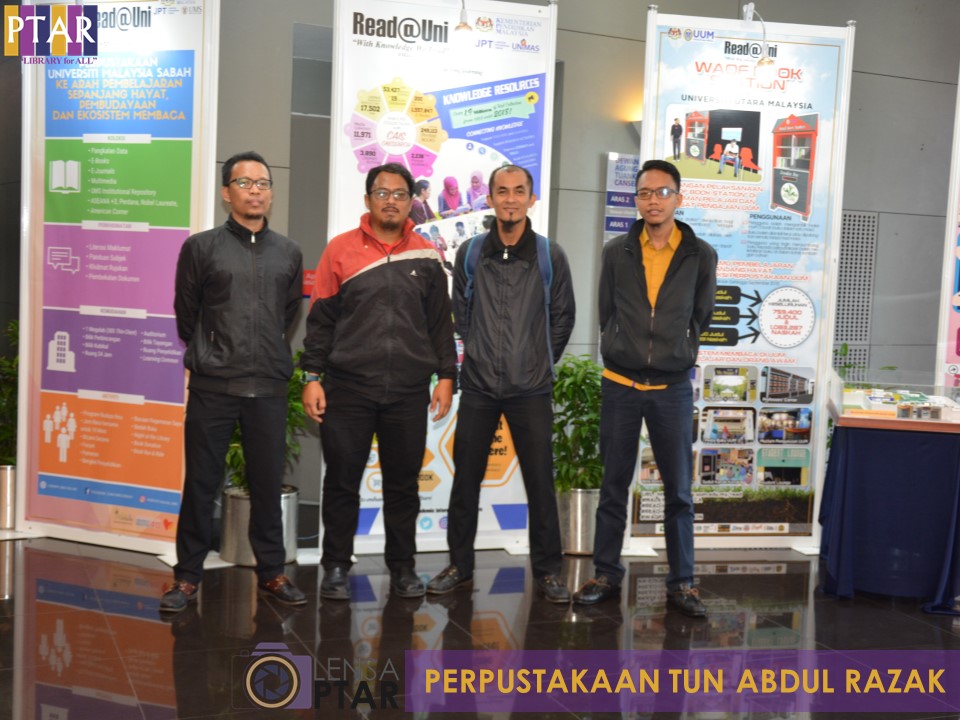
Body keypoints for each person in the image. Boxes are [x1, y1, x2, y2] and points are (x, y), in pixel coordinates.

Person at [301, 162, 457, 601]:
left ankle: (403, 567)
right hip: (347, 387)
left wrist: (447, 376)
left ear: (412, 201)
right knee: (342, 482)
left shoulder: (426, 254)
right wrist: (311, 376)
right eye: (382, 193)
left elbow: (440, 324)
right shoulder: (340, 250)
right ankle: (335, 566)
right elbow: (320, 322)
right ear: (368, 199)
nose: (391, 201)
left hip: (407, 389)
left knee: (403, 485)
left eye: (399, 194)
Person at [162, 151, 306, 613]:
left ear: (271, 193)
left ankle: (272, 573)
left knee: (266, 484)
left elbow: (288, 313)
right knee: (201, 485)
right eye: (245, 183)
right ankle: (187, 577)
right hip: (214, 384)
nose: (255, 191)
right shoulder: (201, 248)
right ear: (227, 193)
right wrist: (212, 351)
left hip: (267, 386)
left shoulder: (289, 252)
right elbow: (186, 314)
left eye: (263, 183)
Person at [573, 159, 717, 617]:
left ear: (679, 198)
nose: (653, 200)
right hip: (621, 383)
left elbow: (701, 314)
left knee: (678, 492)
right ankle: (605, 574)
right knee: (613, 484)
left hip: (671, 388)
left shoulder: (700, 254)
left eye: (662, 192)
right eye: (645, 193)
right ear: (636, 199)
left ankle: (683, 583)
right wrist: (618, 346)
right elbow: (606, 311)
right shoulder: (617, 251)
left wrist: (681, 347)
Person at [427, 164, 576, 604]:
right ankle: (459, 565)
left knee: (540, 483)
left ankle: (548, 572)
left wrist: (536, 362)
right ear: (489, 199)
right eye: (503, 191)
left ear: (532, 199)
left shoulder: (550, 255)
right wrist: (479, 352)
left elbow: (563, 317)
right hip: (478, 386)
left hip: (531, 389)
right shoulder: (470, 253)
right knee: (465, 481)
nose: (510, 199)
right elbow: (461, 313)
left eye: (519, 191)